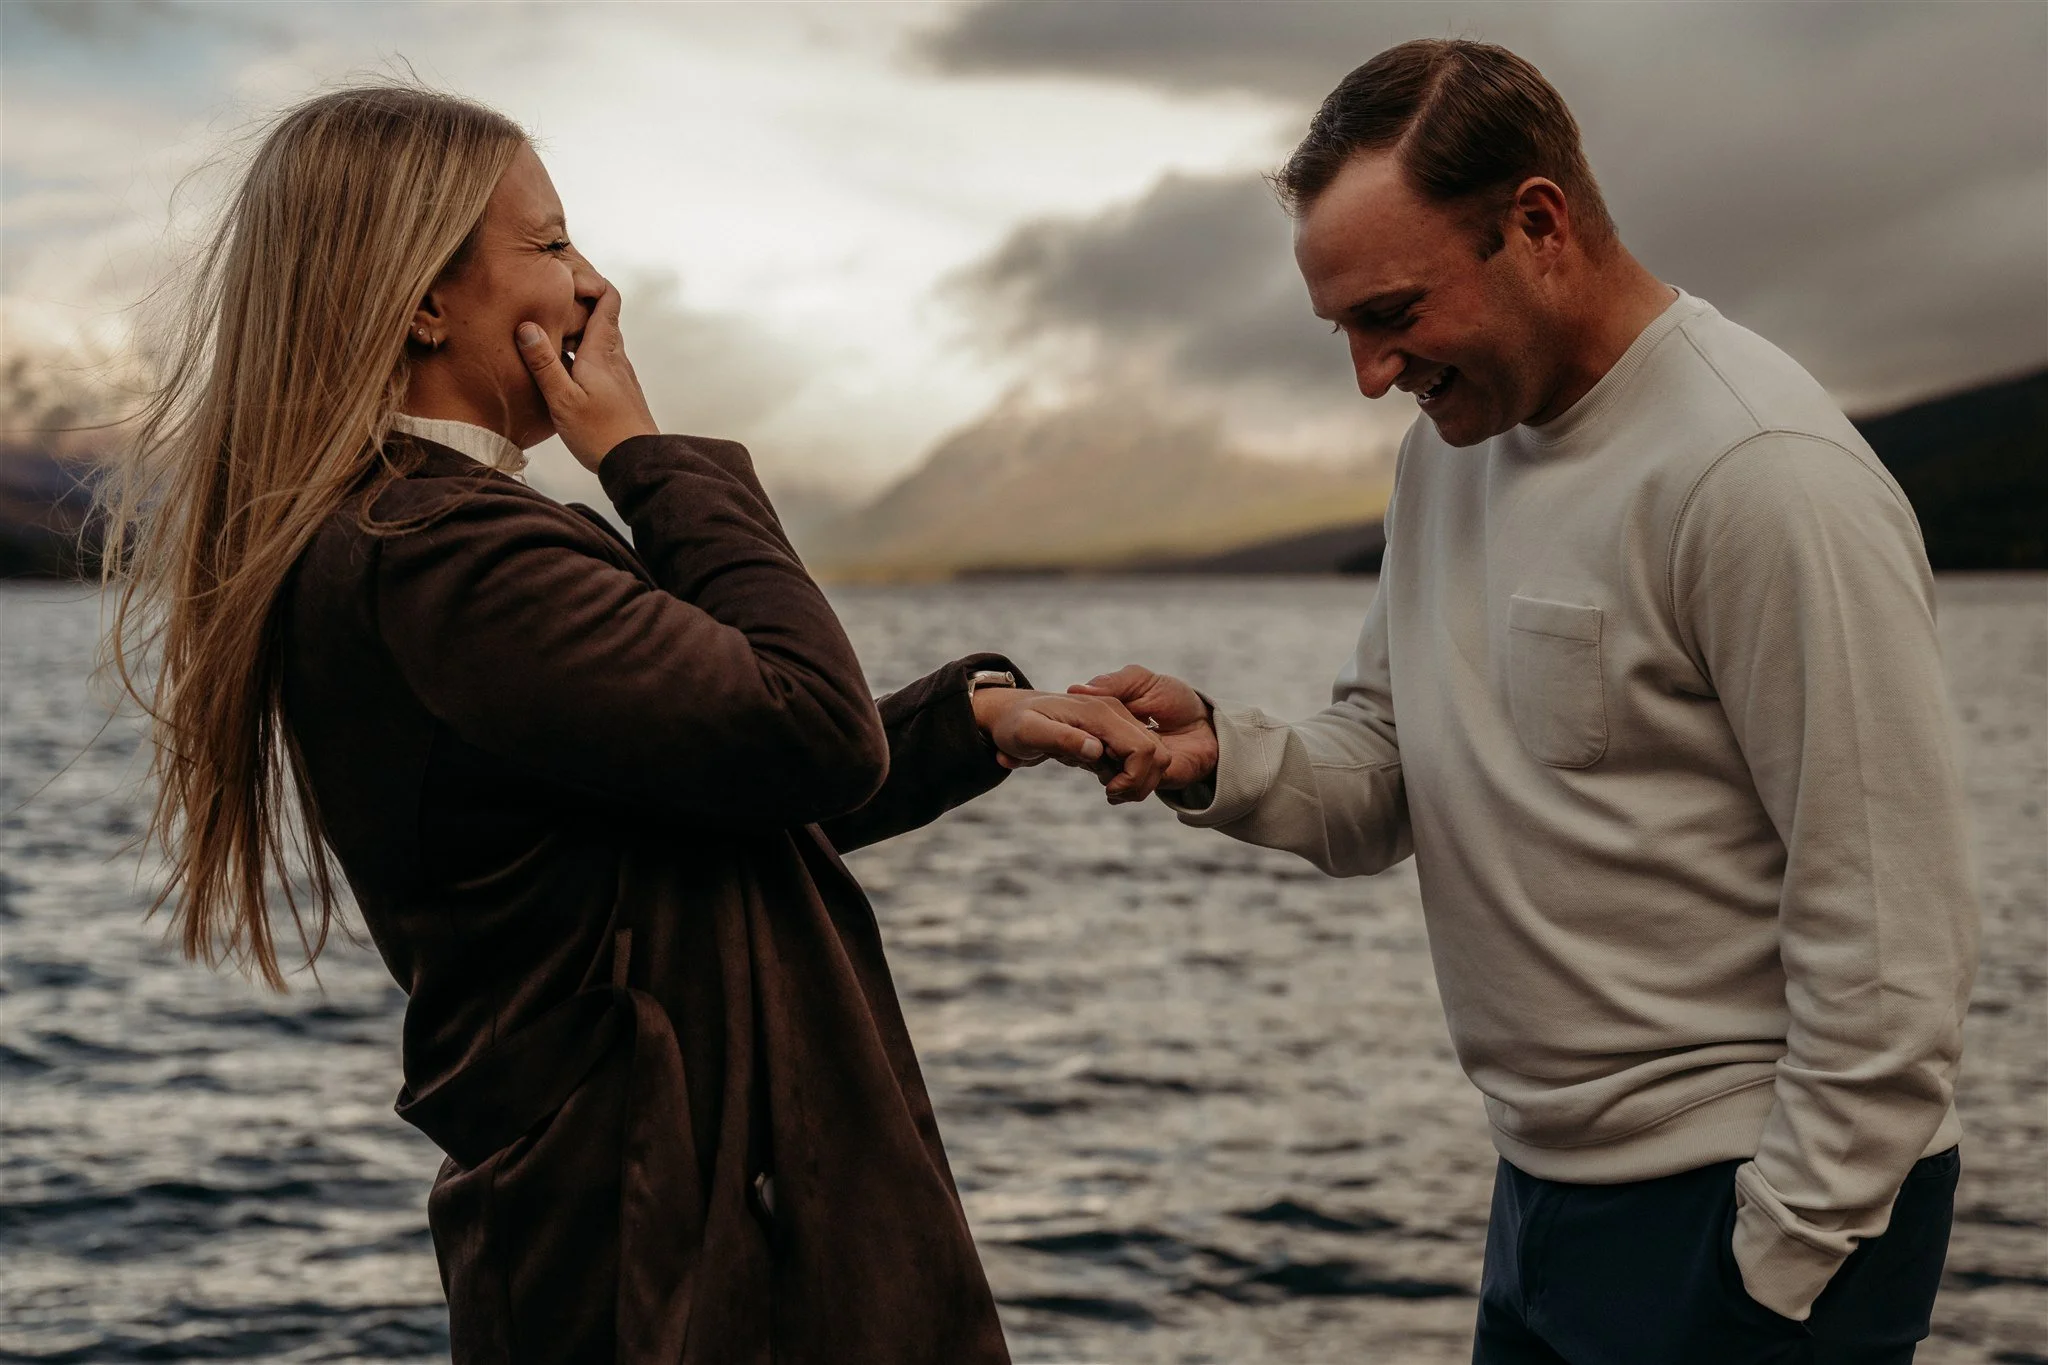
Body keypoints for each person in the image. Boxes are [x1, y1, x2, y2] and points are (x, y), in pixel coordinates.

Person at [98, 84, 1174, 1363]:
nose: (594, 284)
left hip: (660, 1225)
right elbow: (807, 731)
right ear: (425, 301)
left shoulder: (422, 542)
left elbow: (716, 796)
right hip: (672, 1253)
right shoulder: (445, 556)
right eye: (551, 243)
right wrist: (642, 458)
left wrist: (972, 721)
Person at [1074, 39, 1979, 1364]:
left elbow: (1894, 939)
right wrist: (1220, 754)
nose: (1369, 374)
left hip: (1752, 1216)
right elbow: (1390, 764)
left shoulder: (1761, 473)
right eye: (1343, 331)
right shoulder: (1448, 455)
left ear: (1538, 224)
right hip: (1545, 1201)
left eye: (1391, 313)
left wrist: (1775, 1264)